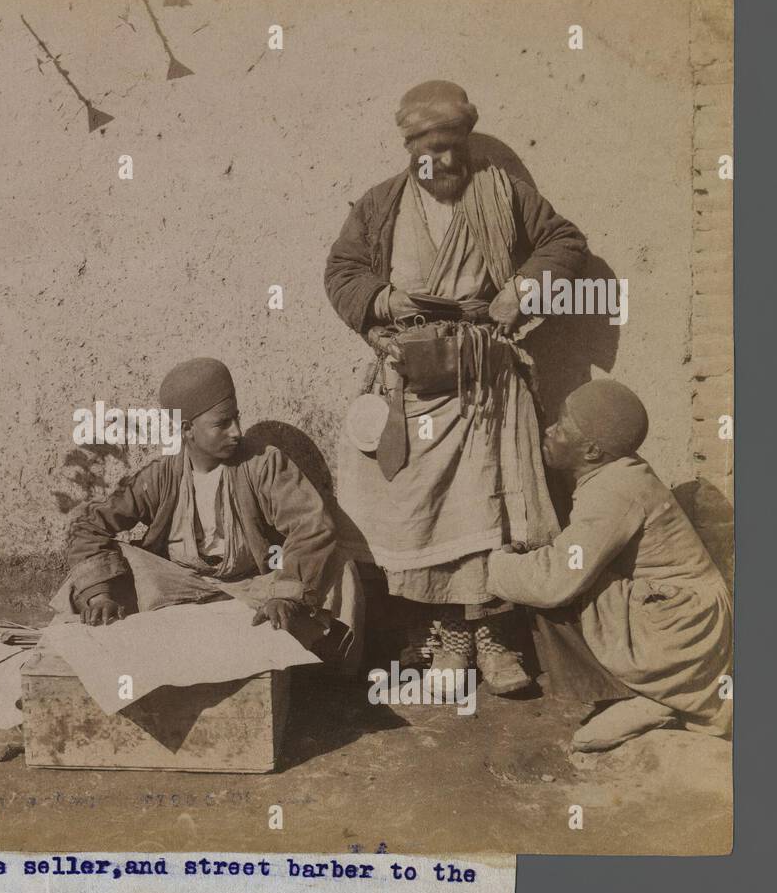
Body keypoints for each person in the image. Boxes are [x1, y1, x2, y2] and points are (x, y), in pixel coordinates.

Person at [324, 79, 589, 693]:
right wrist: (384, 301)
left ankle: (496, 639)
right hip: (411, 380)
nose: (439, 162)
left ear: (465, 142)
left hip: (487, 380)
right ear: (408, 146)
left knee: (492, 512)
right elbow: (342, 271)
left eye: (450, 147)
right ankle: (446, 634)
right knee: (426, 514)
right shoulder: (380, 205)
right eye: (427, 149)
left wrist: (520, 291)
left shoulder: (504, 195)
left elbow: (565, 243)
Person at [486, 380, 732, 751]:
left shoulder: (613, 490)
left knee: (552, 583)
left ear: (593, 451)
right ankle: (661, 696)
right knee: (557, 567)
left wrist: (494, 566)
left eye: (562, 427)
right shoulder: (621, 471)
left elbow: (554, 581)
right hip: (690, 622)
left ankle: (651, 696)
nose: (549, 431)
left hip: (680, 632)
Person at [55, 358, 353, 651]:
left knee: (341, 571)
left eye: (237, 417)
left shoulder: (263, 463)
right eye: (223, 423)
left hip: (253, 586)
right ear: (187, 430)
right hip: (174, 585)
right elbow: (88, 527)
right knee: (87, 581)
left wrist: (285, 594)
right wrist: (101, 596)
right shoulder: (160, 476)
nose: (236, 431)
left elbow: (311, 526)